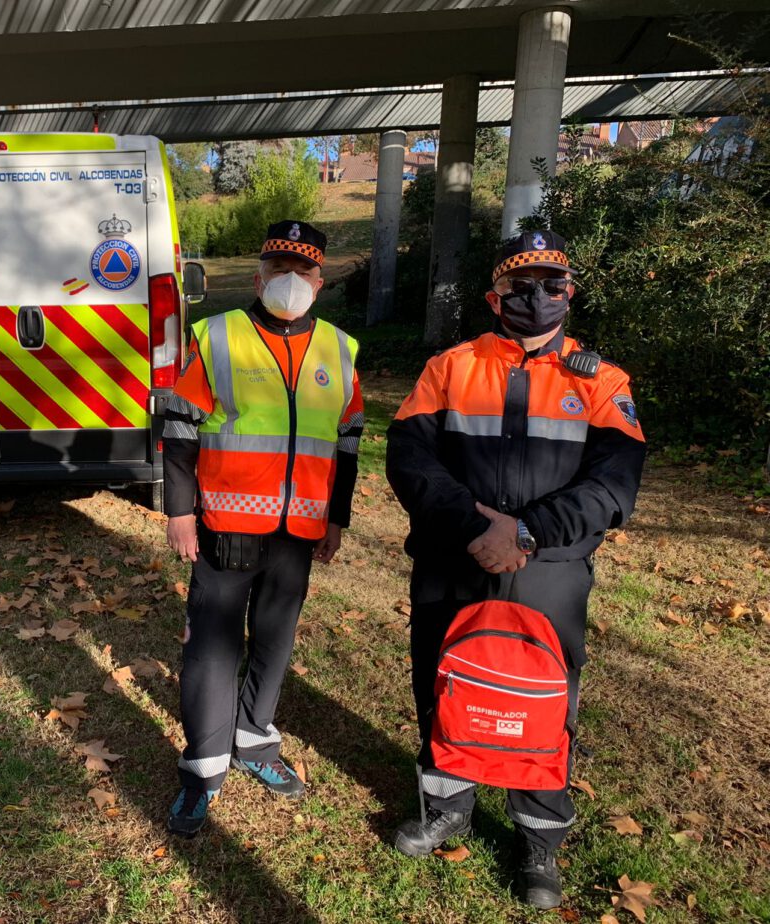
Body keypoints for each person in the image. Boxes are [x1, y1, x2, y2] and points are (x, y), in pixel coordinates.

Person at [385, 230, 646, 908]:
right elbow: (409, 460)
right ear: (493, 296)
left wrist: (525, 532)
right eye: (519, 285)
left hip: (548, 570)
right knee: (443, 683)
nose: (535, 296)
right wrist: (477, 529)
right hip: (454, 558)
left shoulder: (604, 382)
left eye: (550, 284)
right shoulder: (449, 366)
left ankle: (539, 840)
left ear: (570, 293)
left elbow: (614, 487)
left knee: (546, 705)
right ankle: (446, 806)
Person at [160, 220, 365, 837]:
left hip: (298, 532)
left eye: (302, 270)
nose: (290, 280)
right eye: (279, 268)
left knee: (274, 642)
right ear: (259, 276)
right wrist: (178, 511)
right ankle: (202, 769)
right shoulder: (219, 337)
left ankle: (254, 742)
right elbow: (178, 428)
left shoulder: (339, 348)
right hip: (224, 527)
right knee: (212, 649)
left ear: (320, 281)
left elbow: (348, 441)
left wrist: (337, 518)